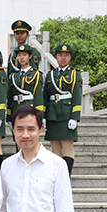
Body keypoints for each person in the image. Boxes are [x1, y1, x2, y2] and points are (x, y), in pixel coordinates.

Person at [44, 44, 82, 176]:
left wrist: (75, 117)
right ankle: (58, 178)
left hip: (66, 114)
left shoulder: (74, 74)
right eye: (60, 55)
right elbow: (45, 96)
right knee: (55, 150)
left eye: (66, 55)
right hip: (52, 115)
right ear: (56, 57)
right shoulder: (50, 74)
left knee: (67, 148)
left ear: (70, 57)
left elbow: (77, 96)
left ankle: (66, 178)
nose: (63, 58)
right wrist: (43, 116)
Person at [7, 45, 44, 126]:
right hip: (16, 110)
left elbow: (38, 97)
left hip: (30, 109)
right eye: (19, 55)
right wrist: (9, 118)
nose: (22, 58)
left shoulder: (36, 74)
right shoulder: (13, 76)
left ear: (30, 56)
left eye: (24, 55)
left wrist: (40, 116)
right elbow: (10, 98)